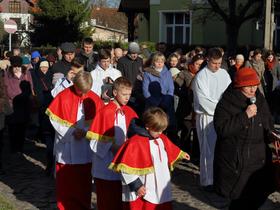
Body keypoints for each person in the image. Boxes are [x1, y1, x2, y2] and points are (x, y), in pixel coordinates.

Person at [214, 67, 275, 210]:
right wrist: (244, 116)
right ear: (239, 85)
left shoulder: (259, 99)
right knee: (240, 200)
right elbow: (222, 130)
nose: (253, 88)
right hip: (237, 161)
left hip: (259, 159)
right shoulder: (226, 103)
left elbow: (268, 121)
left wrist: (271, 134)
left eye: (255, 85)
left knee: (258, 196)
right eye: (249, 86)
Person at [109, 107, 190, 210]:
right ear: (147, 126)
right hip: (143, 189)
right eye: (158, 130)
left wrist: (181, 154)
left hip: (160, 187)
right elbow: (126, 168)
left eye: (162, 130)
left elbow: (170, 148)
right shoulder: (135, 142)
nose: (160, 133)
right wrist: (137, 185)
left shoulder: (160, 138)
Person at [46, 71, 104, 210]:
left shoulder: (94, 98)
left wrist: (85, 132)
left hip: (85, 146)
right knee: (66, 182)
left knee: (83, 182)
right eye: (80, 90)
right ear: (74, 84)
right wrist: (72, 131)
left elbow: (100, 121)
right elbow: (54, 119)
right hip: (67, 146)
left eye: (86, 91)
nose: (83, 94)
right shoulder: (63, 96)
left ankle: (83, 206)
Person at [86, 77, 138, 210]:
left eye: (129, 94)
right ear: (115, 93)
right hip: (105, 165)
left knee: (120, 202)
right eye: (124, 94)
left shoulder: (129, 111)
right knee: (107, 202)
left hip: (122, 165)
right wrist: (114, 148)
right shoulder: (105, 112)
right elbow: (95, 140)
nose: (127, 98)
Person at [191, 47, 231, 190]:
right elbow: (203, 101)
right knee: (208, 150)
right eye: (214, 63)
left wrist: (226, 109)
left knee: (222, 149)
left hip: (223, 116)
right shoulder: (201, 77)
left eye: (219, 63)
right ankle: (207, 180)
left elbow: (229, 95)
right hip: (207, 116)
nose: (217, 66)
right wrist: (221, 108)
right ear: (208, 60)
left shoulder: (224, 74)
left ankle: (220, 179)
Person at [143, 52, 176, 140]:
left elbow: (171, 88)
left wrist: (167, 99)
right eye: (158, 61)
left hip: (166, 103)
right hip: (153, 105)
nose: (160, 63)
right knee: (154, 126)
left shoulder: (167, 72)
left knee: (166, 127)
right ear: (153, 62)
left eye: (162, 61)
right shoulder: (148, 73)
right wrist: (154, 102)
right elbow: (145, 90)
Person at [117, 42, 144, 114]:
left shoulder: (140, 60)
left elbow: (141, 74)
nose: (135, 55)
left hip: (138, 89)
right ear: (129, 52)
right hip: (126, 89)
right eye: (132, 53)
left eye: (136, 53)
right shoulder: (122, 61)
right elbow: (120, 76)